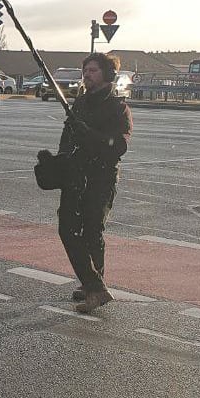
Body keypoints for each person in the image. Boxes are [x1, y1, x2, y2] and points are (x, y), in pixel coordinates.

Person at [57, 52, 133, 314]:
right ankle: (93, 283)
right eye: (86, 70)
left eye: (93, 70)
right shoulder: (80, 103)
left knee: (91, 231)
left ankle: (94, 285)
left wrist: (90, 135)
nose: (87, 74)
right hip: (76, 175)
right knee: (67, 228)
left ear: (107, 75)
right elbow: (67, 137)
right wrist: (57, 163)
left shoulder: (117, 107)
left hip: (101, 176)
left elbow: (119, 145)